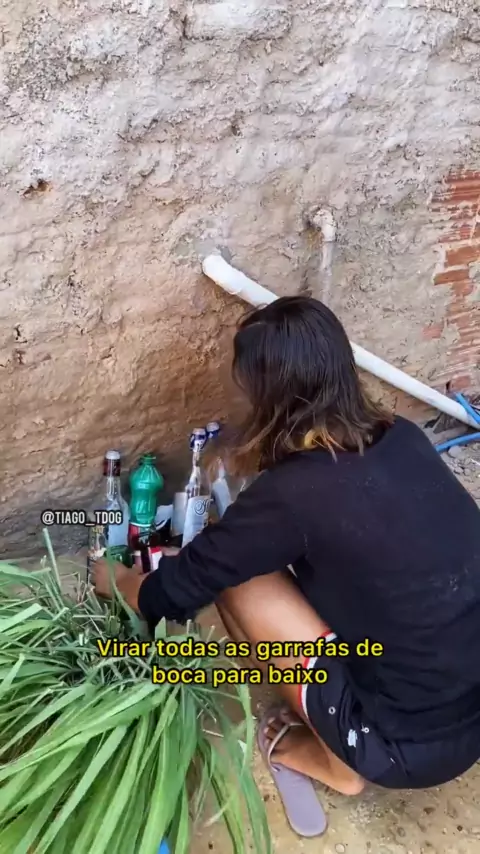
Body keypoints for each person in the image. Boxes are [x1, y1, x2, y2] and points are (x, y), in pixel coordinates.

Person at [93, 296, 480, 798]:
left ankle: (340, 763)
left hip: (398, 747)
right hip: (466, 720)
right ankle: (332, 712)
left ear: (269, 399)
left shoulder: (295, 494)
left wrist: (114, 578)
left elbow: (168, 595)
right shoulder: (400, 436)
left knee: (239, 581)